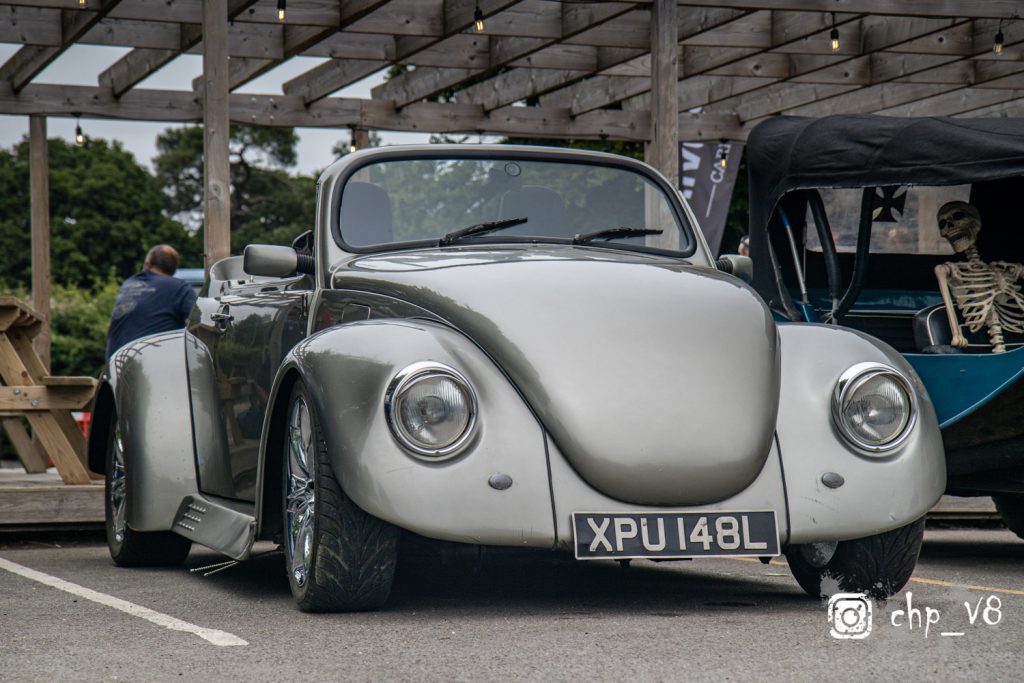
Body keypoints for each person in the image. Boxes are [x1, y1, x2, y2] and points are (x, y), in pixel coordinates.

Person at [106, 244, 198, 359]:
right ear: (173, 269)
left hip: (114, 365)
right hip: (150, 366)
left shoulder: (129, 283)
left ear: (147, 264)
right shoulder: (180, 288)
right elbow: (197, 325)